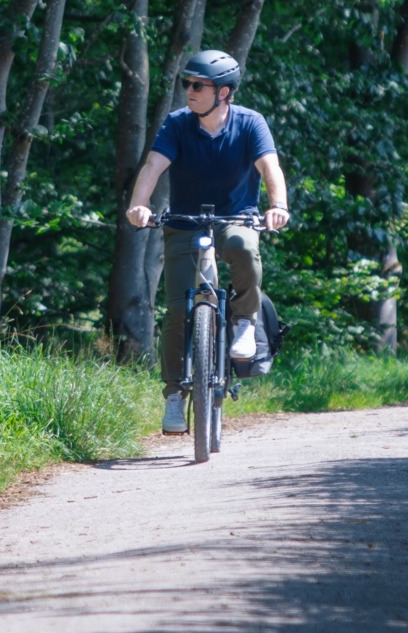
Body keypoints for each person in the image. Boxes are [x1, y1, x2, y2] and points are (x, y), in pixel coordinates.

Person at [124, 49, 290, 433]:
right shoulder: (177, 124)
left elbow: (270, 167)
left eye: (199, 85)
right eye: (187, 83)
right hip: (185, 222)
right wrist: (139, 205)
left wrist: (278, 206)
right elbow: (153, 165)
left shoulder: (250, 123)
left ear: (224, 92)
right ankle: (173, 396)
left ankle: (244, 321)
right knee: (177, 311)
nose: (190, 90)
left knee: (243, 247)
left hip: (236, 217)